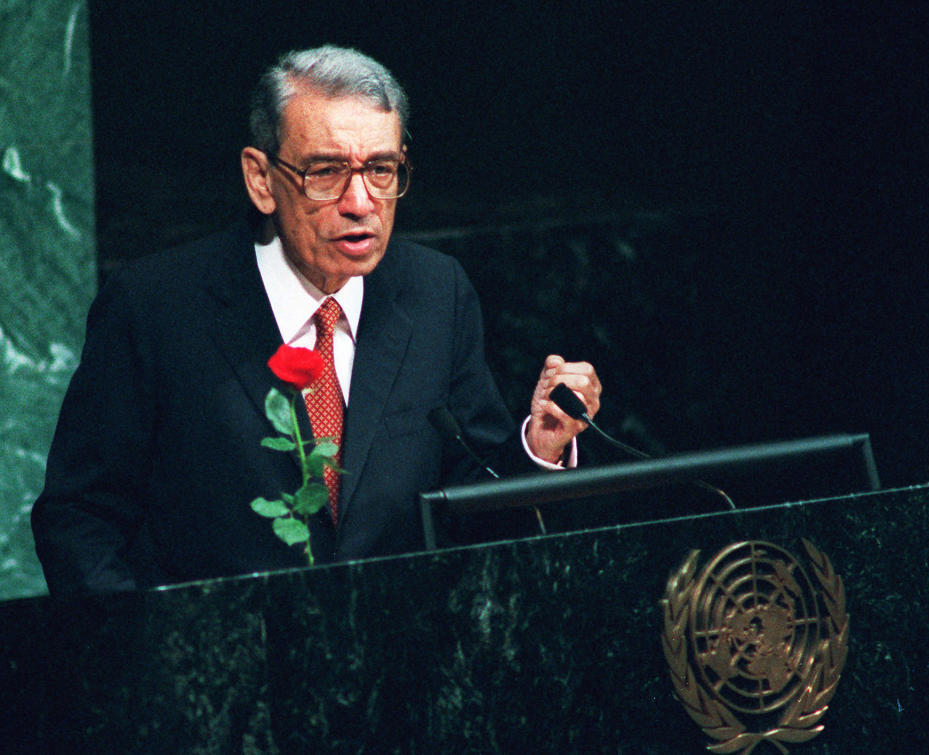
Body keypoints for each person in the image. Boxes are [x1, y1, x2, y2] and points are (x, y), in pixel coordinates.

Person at [31, 46, 602, 595]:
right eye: (327, 172)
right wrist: (152, 660)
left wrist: (541, 446)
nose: (361, 202)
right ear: (261, 179)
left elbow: (473, 502)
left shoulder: (435, 293)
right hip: (220, 671)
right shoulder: (156, 305)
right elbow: (81, 517)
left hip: (396, 667)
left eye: (381, 169)